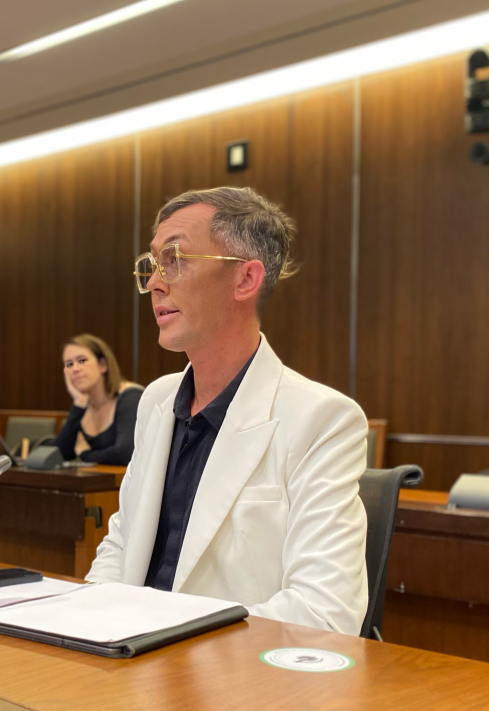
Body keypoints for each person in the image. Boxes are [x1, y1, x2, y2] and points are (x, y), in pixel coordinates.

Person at [85, 187, 369, 635]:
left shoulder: (322, 419)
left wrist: (168, 641)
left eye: (175, 260)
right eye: (153, 263)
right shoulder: (156, 401)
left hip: (234, 682)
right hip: (126, 665)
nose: (156, 282)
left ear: (245, 280)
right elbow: (120, 545)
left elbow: (324, 612)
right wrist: (87, 625)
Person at [55, 335, 144, 466]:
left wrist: (85, 454)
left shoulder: (131, 397)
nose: (75, 369)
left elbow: (125, 454)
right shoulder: (83, 405)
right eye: (69, 364)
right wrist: (78, 404)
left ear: (102, 365)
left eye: (82, 361)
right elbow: (59, 454)